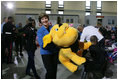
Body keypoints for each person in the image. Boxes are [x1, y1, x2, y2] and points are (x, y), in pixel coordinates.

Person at [37, 13, 59, 79]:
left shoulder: (53, 28)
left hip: (55, 53)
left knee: (54, 70)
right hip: (46, 54)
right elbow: (42, 44)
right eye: (42, 19)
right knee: (50, 71)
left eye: (45, 18)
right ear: (40, 21)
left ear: (48, 19)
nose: (44, 20)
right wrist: (54, 47)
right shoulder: (40, 31)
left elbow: (58, 36)